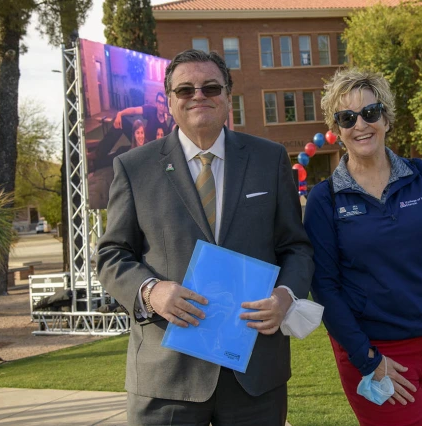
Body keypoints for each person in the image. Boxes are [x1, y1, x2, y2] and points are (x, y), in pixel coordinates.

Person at [96, 49, 314, 426]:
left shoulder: (269, 158)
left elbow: (296, 248)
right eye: (185, 90)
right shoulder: (134, 168)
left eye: (211, 87)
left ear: (228, 96)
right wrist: (151, 292)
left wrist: (286, 296)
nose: (199, 95)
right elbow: (112, 255)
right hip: (166, 377)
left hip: (255, 372)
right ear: (169, 102)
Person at [303, 68, 422, 426]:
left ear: (385, 117)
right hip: (376, 353)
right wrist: (368, 359)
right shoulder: (326, 199)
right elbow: (325, 286)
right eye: (347, 117)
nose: (361, 125)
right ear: (336, 129)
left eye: (370, 113)